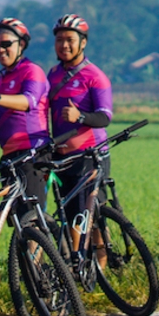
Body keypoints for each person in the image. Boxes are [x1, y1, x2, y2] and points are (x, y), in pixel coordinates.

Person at [46, 14, 113, 260]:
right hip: (62, 156)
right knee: (69, 211)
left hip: (90, 153)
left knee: (89, 214)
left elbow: (105, 117)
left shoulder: (95, 76)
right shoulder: (52, 75)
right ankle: (80, 264)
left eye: (70, 40)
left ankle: (97, 263)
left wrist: (81, 117)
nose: (64, 45)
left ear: (83, 42)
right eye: (59, 40)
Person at [0, 18, 51, 210]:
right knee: (15, 218)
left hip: (32, 152)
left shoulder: (32, 71)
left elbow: (28, 102)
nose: (0, 49)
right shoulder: (3, 77)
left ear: (21, 44)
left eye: (6, 44)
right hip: (9, 155)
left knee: (30, 218)